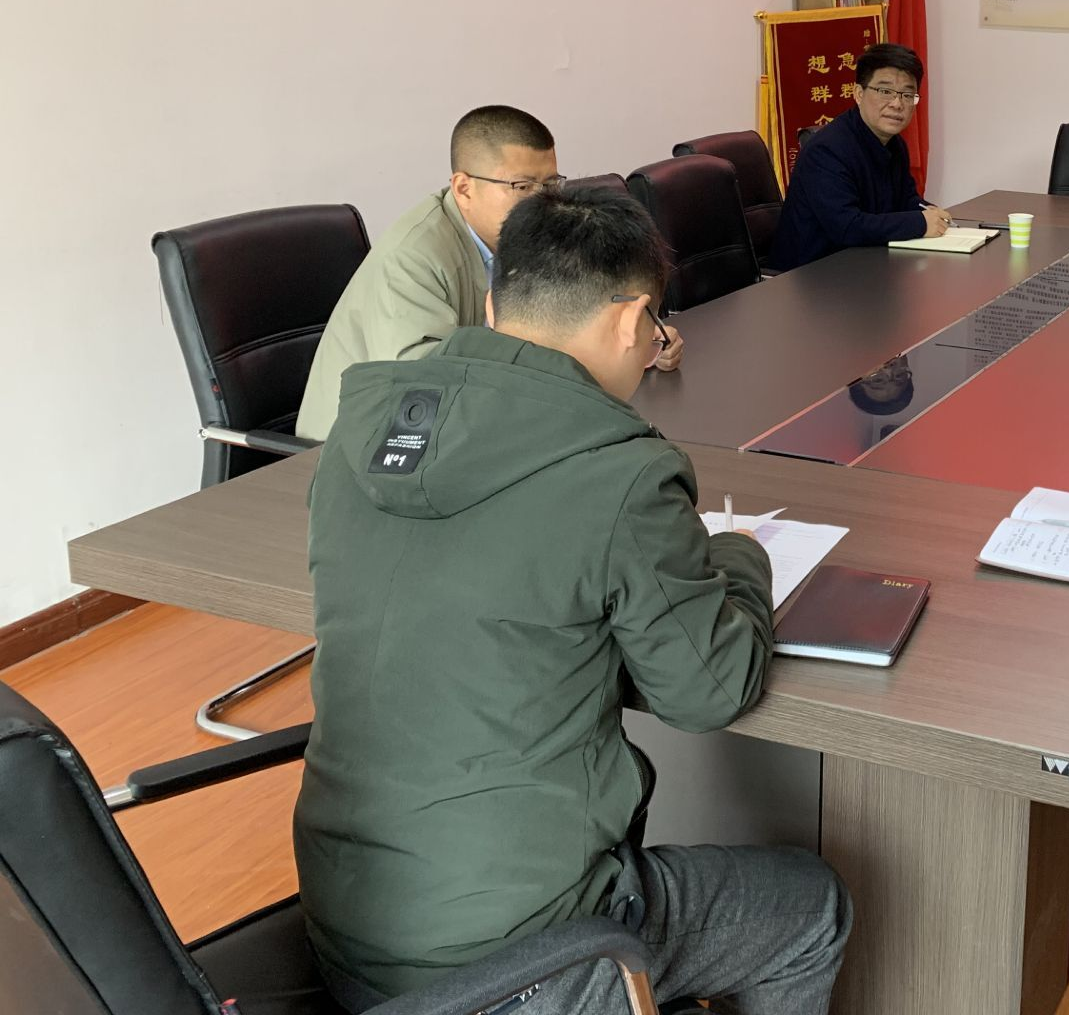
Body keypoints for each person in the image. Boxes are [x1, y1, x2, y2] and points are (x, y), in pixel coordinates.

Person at [294, 186, 851, 1013]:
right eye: (656, 326)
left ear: (492, 306)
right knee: (811, 908)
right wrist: (740, 555)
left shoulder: (360, 431)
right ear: (630, 323)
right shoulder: (620, 473)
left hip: (345, 920)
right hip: (516, 956)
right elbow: (707, 690)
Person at [296, 105, 681, 440]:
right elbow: (423, 382)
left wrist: (637, 336)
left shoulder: (523, 237)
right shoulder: (412, 258)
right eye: (523, 186)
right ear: (464, 188)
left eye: (551, 184)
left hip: (471, 423)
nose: (544, 201)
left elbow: (566, 311)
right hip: (361, 447)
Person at [767, 44, 951, 269]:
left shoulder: (895, 145)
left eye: (907, 94)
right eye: (885, 91)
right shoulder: (826, 151)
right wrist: (919, 223)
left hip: (865, 265)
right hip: (810, 275)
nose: (897, 104)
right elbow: (847, 226)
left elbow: (906, 201)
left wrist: (932, 213)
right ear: (858, 94)